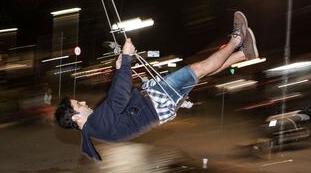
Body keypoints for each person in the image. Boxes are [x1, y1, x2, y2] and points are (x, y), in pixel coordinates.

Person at [55, 11, 258, 161]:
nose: (82, 102)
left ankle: (244, 54)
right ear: (74, 117)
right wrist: (125, 57)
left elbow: (115, 100)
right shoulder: (96, 123)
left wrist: (119, 68)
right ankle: (237, 39)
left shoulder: (96, 125)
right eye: (78, 104)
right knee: (198, 69)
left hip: (155, 102)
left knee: (200, 72)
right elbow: (119, 97)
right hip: (156, 101)